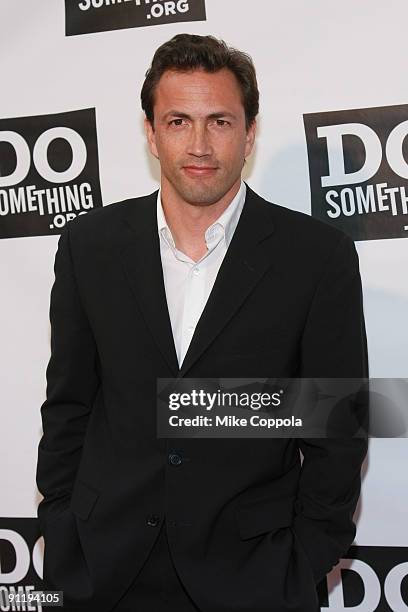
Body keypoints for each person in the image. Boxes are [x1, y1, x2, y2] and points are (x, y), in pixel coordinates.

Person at [36, 33, 368, 612]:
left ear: (249, 132)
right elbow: (69, 404)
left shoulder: (317, 257)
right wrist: (65, 525)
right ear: (150, 132)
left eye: (219, 121)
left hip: (254, 572)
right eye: (178, 122)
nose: (199, 145)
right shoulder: (90, 246)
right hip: (106, 567)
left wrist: (305, 556)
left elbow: (338, 424)